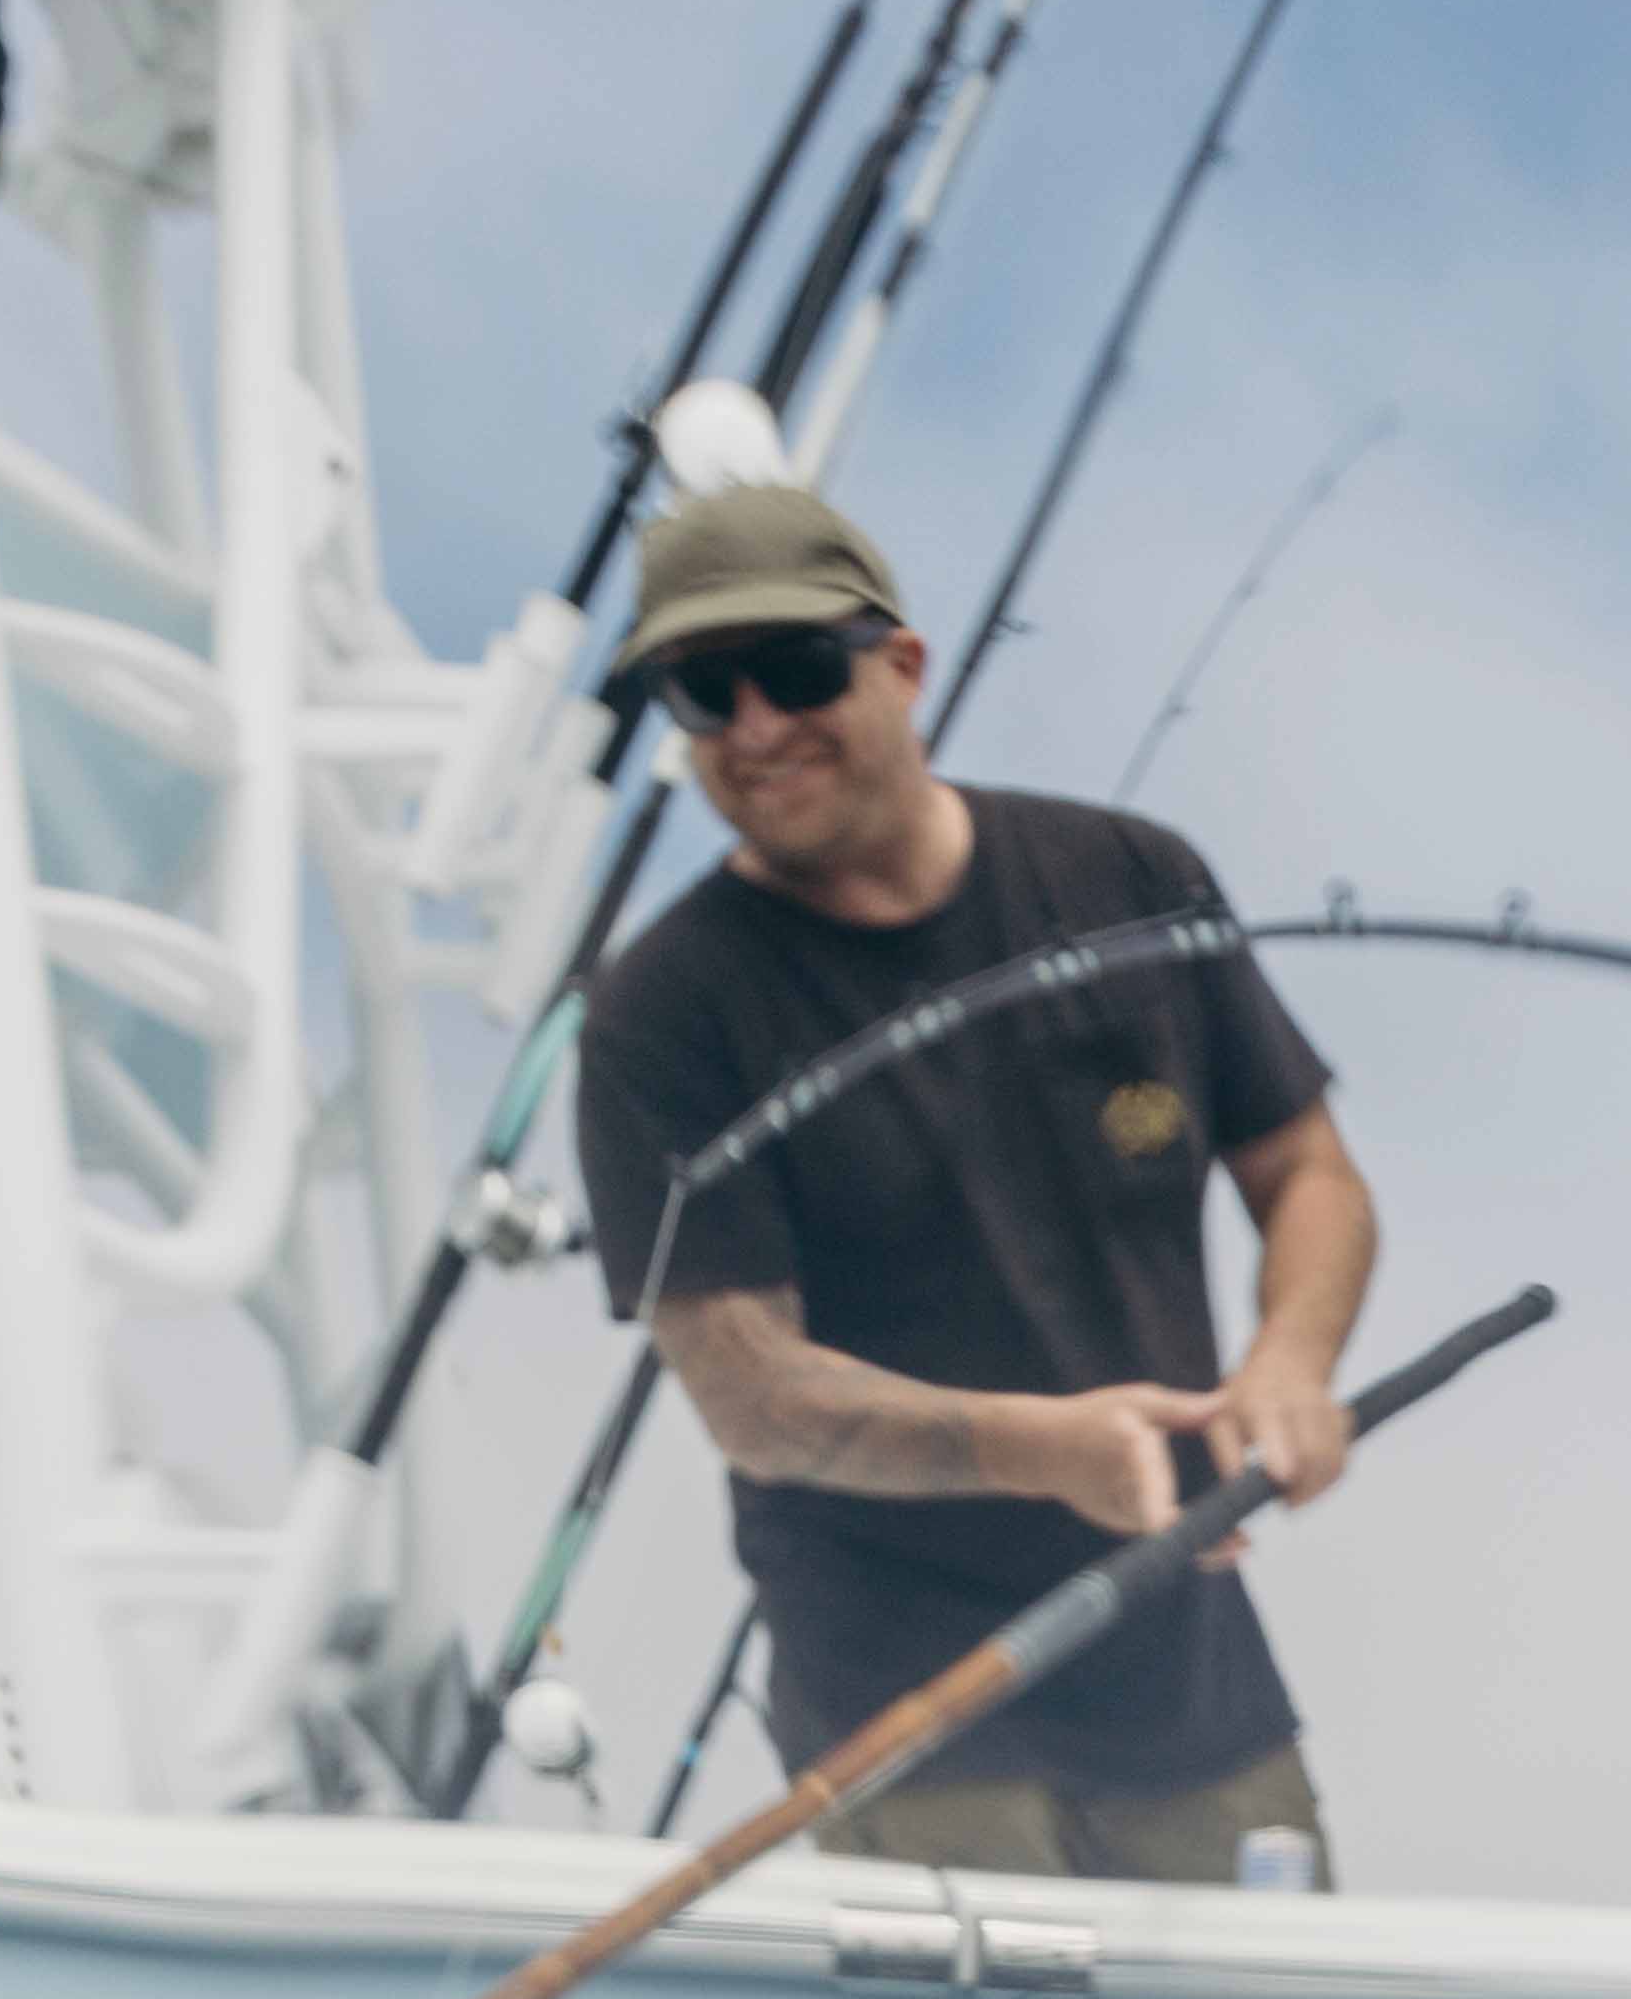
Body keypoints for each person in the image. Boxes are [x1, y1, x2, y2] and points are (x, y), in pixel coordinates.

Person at [575, 478, 1379, 1887]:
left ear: (903, 663)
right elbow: (746, 1397)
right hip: (909, 1718)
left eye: (797, 670)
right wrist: (1041, 1446)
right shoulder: (663, 1012)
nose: (756, 727)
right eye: (702, 695)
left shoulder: (1131, 874)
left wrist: (1292, 1361)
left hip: (1197, 1676)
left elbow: (1307, 1169)